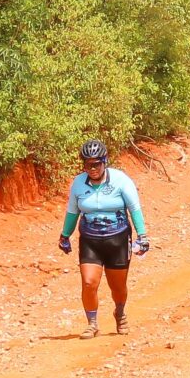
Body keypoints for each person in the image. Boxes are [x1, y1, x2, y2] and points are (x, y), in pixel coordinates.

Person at [56, 140, 148, 335]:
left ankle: (120, 312)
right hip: (90, 240)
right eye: (88, 164)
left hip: (118, 239)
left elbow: (134, 208)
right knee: (89, 282)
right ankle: (92, 324)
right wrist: (65, 235)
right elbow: (72, 211)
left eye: (96, 164)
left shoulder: (121, 180)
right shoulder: (78, 183)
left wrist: (142, 235)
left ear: (105, 161)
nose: (92, 169)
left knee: (118, 286)